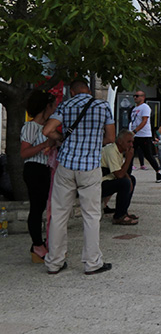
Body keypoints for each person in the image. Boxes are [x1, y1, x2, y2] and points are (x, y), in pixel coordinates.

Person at [41, 78, 115, 275]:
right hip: (90, 167)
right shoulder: (103, 106)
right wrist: (93, 142)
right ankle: (92, 263)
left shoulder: (66, 105)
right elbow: (111, 137)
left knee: (59, 215)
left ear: (72, 92)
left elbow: (47, 130)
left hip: (66, 166)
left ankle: (54, 262)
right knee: (91, 216)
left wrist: (61, 138)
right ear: (88, 90)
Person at [20, 88, 59, 262]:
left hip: (45, 169)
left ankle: (40, 243)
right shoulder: (30, 126)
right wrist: (44, 144)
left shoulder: (48, 127)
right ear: (46, 107)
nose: (55, 109)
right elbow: (24, 152)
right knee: (36, 208)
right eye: (53, 106)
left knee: (42, 207)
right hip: (34, 168)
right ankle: (36, 245)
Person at [101, 131, 138, 225]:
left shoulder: (119, 151)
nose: (131, 145)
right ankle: (119, 216)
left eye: (132, 142)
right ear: (120, 141)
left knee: (131, 179)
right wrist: (128, 159)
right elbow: (119, 175)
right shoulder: (111, 151)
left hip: (109, 179)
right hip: (99, 183)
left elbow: (122, 171)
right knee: (124, 183)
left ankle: (123, 211)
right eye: (129, 142)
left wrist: (129, 178)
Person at [130, 90, 161, 182]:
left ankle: (158, 171)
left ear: (143, 97)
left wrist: (135, 131)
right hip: (135, 135)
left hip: (144, 135)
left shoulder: (145, 107)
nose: (135, 97)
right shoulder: (134, 108)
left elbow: (144, 121)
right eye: (134, 96)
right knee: (130, 153)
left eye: (137, 96)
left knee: (148, 155)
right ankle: (127, 173)